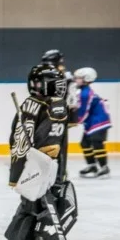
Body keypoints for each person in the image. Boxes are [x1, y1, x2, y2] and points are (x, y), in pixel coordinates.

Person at [2, 64, 73, 240]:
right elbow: (50, 139)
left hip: (23, 164)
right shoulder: (56, 104)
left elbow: (13, 137)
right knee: (50, 205)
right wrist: (48, 169)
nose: (60, 87)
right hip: (44, 165)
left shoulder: (28, 103)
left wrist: (22, 165)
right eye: (56, 83)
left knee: (28, 204)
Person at [40, 49, 79, 180]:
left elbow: (72, 99)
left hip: (59, 118)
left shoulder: (65, 77)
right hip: (48, 117)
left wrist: (70, 117)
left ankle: (59, 174)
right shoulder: (48, 75)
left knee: (59, 148)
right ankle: (55, 173)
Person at [75, 68, 112, 179]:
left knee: (97, 143)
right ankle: (92, 165)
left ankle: (104, 168)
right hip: (92, 121)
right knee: (84, 143)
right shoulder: (83, 91)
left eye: (78, 78)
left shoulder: (86, 93)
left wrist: (75, 120)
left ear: (86, 79)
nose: (76, 80)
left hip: (99, 121)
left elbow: (83, 111)